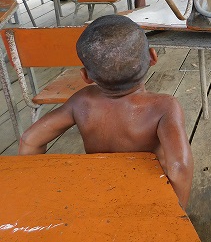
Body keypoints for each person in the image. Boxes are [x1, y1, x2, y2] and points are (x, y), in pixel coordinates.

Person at [18, 15, 194, 208]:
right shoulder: (164, 107)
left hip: (96, 192)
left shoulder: (81, 101)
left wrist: (35, 188)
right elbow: (180, 167)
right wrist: (177, 214)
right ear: (153, 57)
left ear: (85, 76)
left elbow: (29, 140)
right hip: (146, 194)